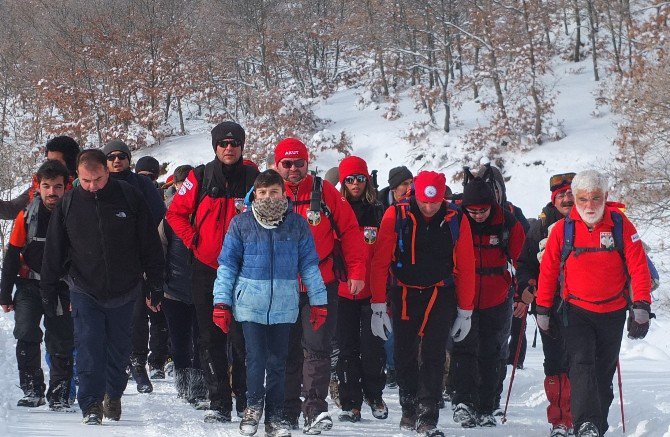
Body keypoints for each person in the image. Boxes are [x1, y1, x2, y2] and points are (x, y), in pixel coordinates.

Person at [40, 149, 164, 425]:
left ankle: (114, 394)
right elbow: (54, 250)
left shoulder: (130, 197)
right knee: (89, 345)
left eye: (97, 179)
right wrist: (48, 290)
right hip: (84, 288)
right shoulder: (69, 203)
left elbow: (149, 244)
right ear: (77, 178)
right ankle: (91, 403)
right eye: (86, 181)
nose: (93, 186)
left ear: (107, 172)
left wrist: (155, 283)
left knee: (119, 349)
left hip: (125, 287)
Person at [536, 170, 652, 437]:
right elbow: (549, 269)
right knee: (581, 365)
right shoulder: (563, 229)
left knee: (602, 371)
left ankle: (596, 425)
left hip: (612, 312)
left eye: (595, 198)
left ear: (605, 197)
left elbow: (638, 266)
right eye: (583, 198)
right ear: (575, 198)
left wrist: (642, 304)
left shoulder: (621, 224)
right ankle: (585, 424)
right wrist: (543, 308)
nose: (589, 205)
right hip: (575, 311)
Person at [212, 169, 327, 437]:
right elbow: (227, 266)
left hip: (284, 305)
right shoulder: (241, 224)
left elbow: (310, 266)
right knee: (255, 359)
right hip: (250, 304)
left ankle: (275, 417)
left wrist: (319, 302)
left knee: (278, 361)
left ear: (283, 193)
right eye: (262, 193)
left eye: (273, 192)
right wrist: (221, 303)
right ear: (255, 194)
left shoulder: (297, 224)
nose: (267, 197)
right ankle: (252, 408)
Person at [370, 171, 476, 437]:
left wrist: (466, 309)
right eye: (424, 201)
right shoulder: (396, 215)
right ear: (414, 194)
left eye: (435, 202)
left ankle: (428, 415)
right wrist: (377, 305)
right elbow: (380, 261)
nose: (429, 207)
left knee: (434, 354)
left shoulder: (455, 219)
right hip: (404, 293)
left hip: (440, 294)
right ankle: (408, 407)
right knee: (404, 353)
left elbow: (465, 265)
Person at [166, 121, 259, 422]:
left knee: (243, 339)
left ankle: (246, 401)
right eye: (223, 144)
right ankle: (219, 402)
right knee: (210, 338)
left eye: (234, 144)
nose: (229, 149)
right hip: (207, 269)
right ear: (215, 147)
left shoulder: (253, 177)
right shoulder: (200, 176)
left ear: (242, 146)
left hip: (246, 271)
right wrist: (194, 240)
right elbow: (175, 213)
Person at [273, 137, 366, 434]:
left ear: (307, 162)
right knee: (286, 350)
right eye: (286, 164)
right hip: (282, 284)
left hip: (319, 282)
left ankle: (315, 409)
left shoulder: (324, 191)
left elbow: (350, 231)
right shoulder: (266, 191)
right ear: (277, 165)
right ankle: (286, 411)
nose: (293, 169)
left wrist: (357, 270)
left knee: (318, 349)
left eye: (299, 163)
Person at [452, 174, 525, 427]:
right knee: (464, 348)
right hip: (464, 298)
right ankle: (463, 401)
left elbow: (521, 260)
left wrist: (523, 291)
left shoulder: (508, 222)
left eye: (482, 210)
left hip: (497, 296)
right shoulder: (457, 219)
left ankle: (488, 404)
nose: (478, 215)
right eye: (473, 211)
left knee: (492, 352)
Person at [0, 160, 74, 410]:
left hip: (63, 287)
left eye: (57, 186)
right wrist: (5, 293)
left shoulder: (75, 215)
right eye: (46, 186)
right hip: (28, 285)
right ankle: (32, 389)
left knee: (61, 340)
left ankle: (60, 393)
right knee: (26, 335)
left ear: (67, 187)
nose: (52, 192)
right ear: (38, 187)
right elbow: (12, 255)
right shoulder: (26, 216)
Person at [102, 141, 168, 392]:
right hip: (104, 261)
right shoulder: (99, 184)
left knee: (137, 315)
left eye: (121, 156)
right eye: (111, 157)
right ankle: (115, 365)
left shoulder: (142, 185)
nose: (116, 161)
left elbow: (159, 219)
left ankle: (139, 364)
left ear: (129, 159)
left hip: (136, 258)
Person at [515, 172, 576, 437]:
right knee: (554, 362)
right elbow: (525, 263)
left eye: (570, 193)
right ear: (553, 199)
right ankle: (559, 421)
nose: (566, 198)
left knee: (580, 362)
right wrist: (528, 284)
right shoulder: (540, 228)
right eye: (560, 195)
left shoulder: (590, 221)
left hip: (583, 305)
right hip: (548, 305)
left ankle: (579, 417)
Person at [334, 156, 388, 423]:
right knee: (347, 349)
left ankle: (374, 394)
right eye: (350, 180)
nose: (355, 184)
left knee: (373, 346)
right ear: (343, 183)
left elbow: (384, 253)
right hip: (343, 291)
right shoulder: (335, 210)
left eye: (360, 179)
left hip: (371, 291)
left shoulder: (377, 211)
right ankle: (350, 401)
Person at [158, 165, 208, 407]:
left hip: (203, 286)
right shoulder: (168, 218)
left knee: (201, 339)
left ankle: (198, 388)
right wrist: (156, 285)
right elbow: (159, 252)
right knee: (179, 340)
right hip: (173, 288)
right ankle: (183, 383)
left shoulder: (208, 213)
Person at [0, 136, 80, 220]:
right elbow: (11, 210)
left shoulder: (85, 188)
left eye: (56, 162)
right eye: (49, 161)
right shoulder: (38, 188)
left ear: (71, 163)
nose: (51, 166)